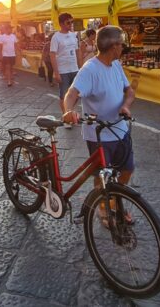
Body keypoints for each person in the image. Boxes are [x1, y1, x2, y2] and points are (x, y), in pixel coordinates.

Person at [62, 26, 136, 222]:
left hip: (120, 129)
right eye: (121, 44)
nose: (123, 48)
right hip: (99, 133)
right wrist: (69, 111)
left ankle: (116, 203)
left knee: (127, 169)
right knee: (102, 175)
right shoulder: (90, 69)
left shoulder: (116, 65)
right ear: (113, 46)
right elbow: (71, 94)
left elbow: (129, 91)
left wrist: (126, 106)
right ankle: (104, 206)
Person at [50, 13, 80, 125]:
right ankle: (66, 117)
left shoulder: (73, 35)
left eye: (72, 22)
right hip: (63, 70)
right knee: (63, 95)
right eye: (68, 22)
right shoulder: (56, 37)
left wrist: (80, 67)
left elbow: (77, 51)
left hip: (74, 68)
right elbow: (52, 54)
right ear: (61, 24)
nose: (71, 24)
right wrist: (56, 72)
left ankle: (70, 111)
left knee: (76, 94)